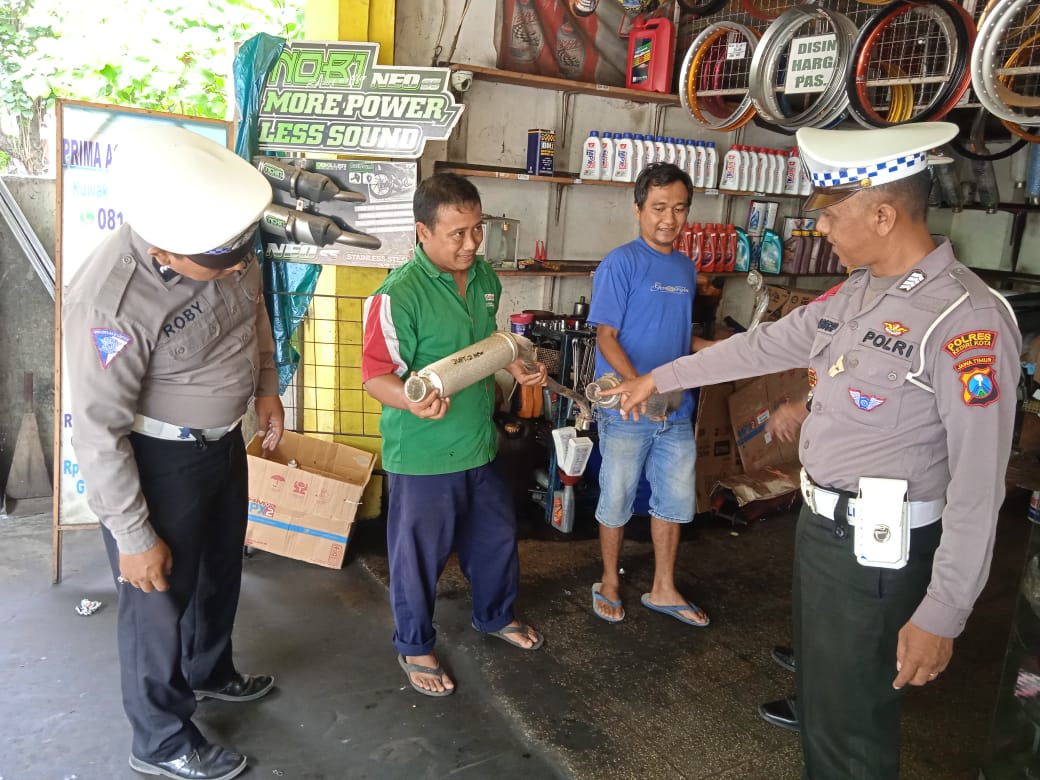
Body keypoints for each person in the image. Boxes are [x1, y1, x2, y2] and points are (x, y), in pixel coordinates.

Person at [599, 123, 1022, 779]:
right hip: (824, 533)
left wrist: (944, 609)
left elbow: (978, 484)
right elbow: (763, 346)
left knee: (851, 732)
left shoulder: (964, 320)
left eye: (831, 212)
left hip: (881, 553)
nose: (819, 228)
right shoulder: (858, 292)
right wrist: (659, 378)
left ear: (882, 214)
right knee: (825, 712)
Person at [63, 126, 284, 780]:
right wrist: (133, 535)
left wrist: (267, 391)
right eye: (224, 261)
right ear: (166, 250)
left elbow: (254, 316)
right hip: (159, 465)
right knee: (157, 599)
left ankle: (209, 672)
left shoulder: (224, 235)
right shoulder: (112, 302)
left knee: (220, 571)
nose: (241, 266)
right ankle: (159, 739)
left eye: (244, 251)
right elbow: (97, 430)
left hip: (224, 447)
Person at [361, 173, 547, 697]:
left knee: (495, 541)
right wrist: (412, 401)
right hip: (421, 454)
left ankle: (494, 615)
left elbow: (487, 348)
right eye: (456, 234)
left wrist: (520, 366)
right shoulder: (397, 295)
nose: (470, 244)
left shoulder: (486, 277)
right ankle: (414, 644)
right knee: (417, 557)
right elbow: (375, 374)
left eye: (476, 230)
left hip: (478, 443)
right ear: (422, 232)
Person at [586, 161, 711, 626]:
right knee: (616, 496)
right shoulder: (621, 262)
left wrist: (714, 350)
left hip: (675, 408)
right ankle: (610, 581)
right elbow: (607, 337)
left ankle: (663, 588)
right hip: (627, 409)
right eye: (658, 207)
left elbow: (678, 338)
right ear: (638, 209)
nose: (669, 219)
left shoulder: (685, 266)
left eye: (679, 209)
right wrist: (639, 385)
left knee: (675, 500)